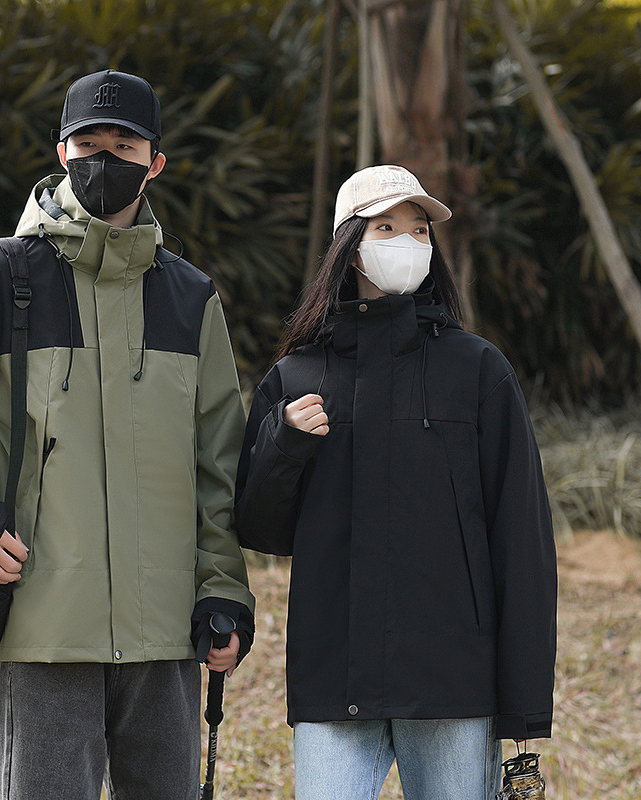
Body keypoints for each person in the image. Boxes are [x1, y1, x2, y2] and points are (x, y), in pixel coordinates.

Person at [0, 68, 254, 800]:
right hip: (44, 626)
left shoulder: (191, 298)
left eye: (124, 147)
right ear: (61, 153)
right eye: (89, 145)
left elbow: (218, 466)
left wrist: (223, 590)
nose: (104, 161)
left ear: (156, 162)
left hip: (167, 634)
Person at [234, 165, 556, 800]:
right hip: (334, 684)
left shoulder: (478, 371)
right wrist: (284, 444)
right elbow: (261, 531)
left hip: (452, 687)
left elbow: (522, 544)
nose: (407, 243)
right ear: (349, 248)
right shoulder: (296, 376)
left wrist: (523, 711)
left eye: (419, 230)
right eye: (386, 228)